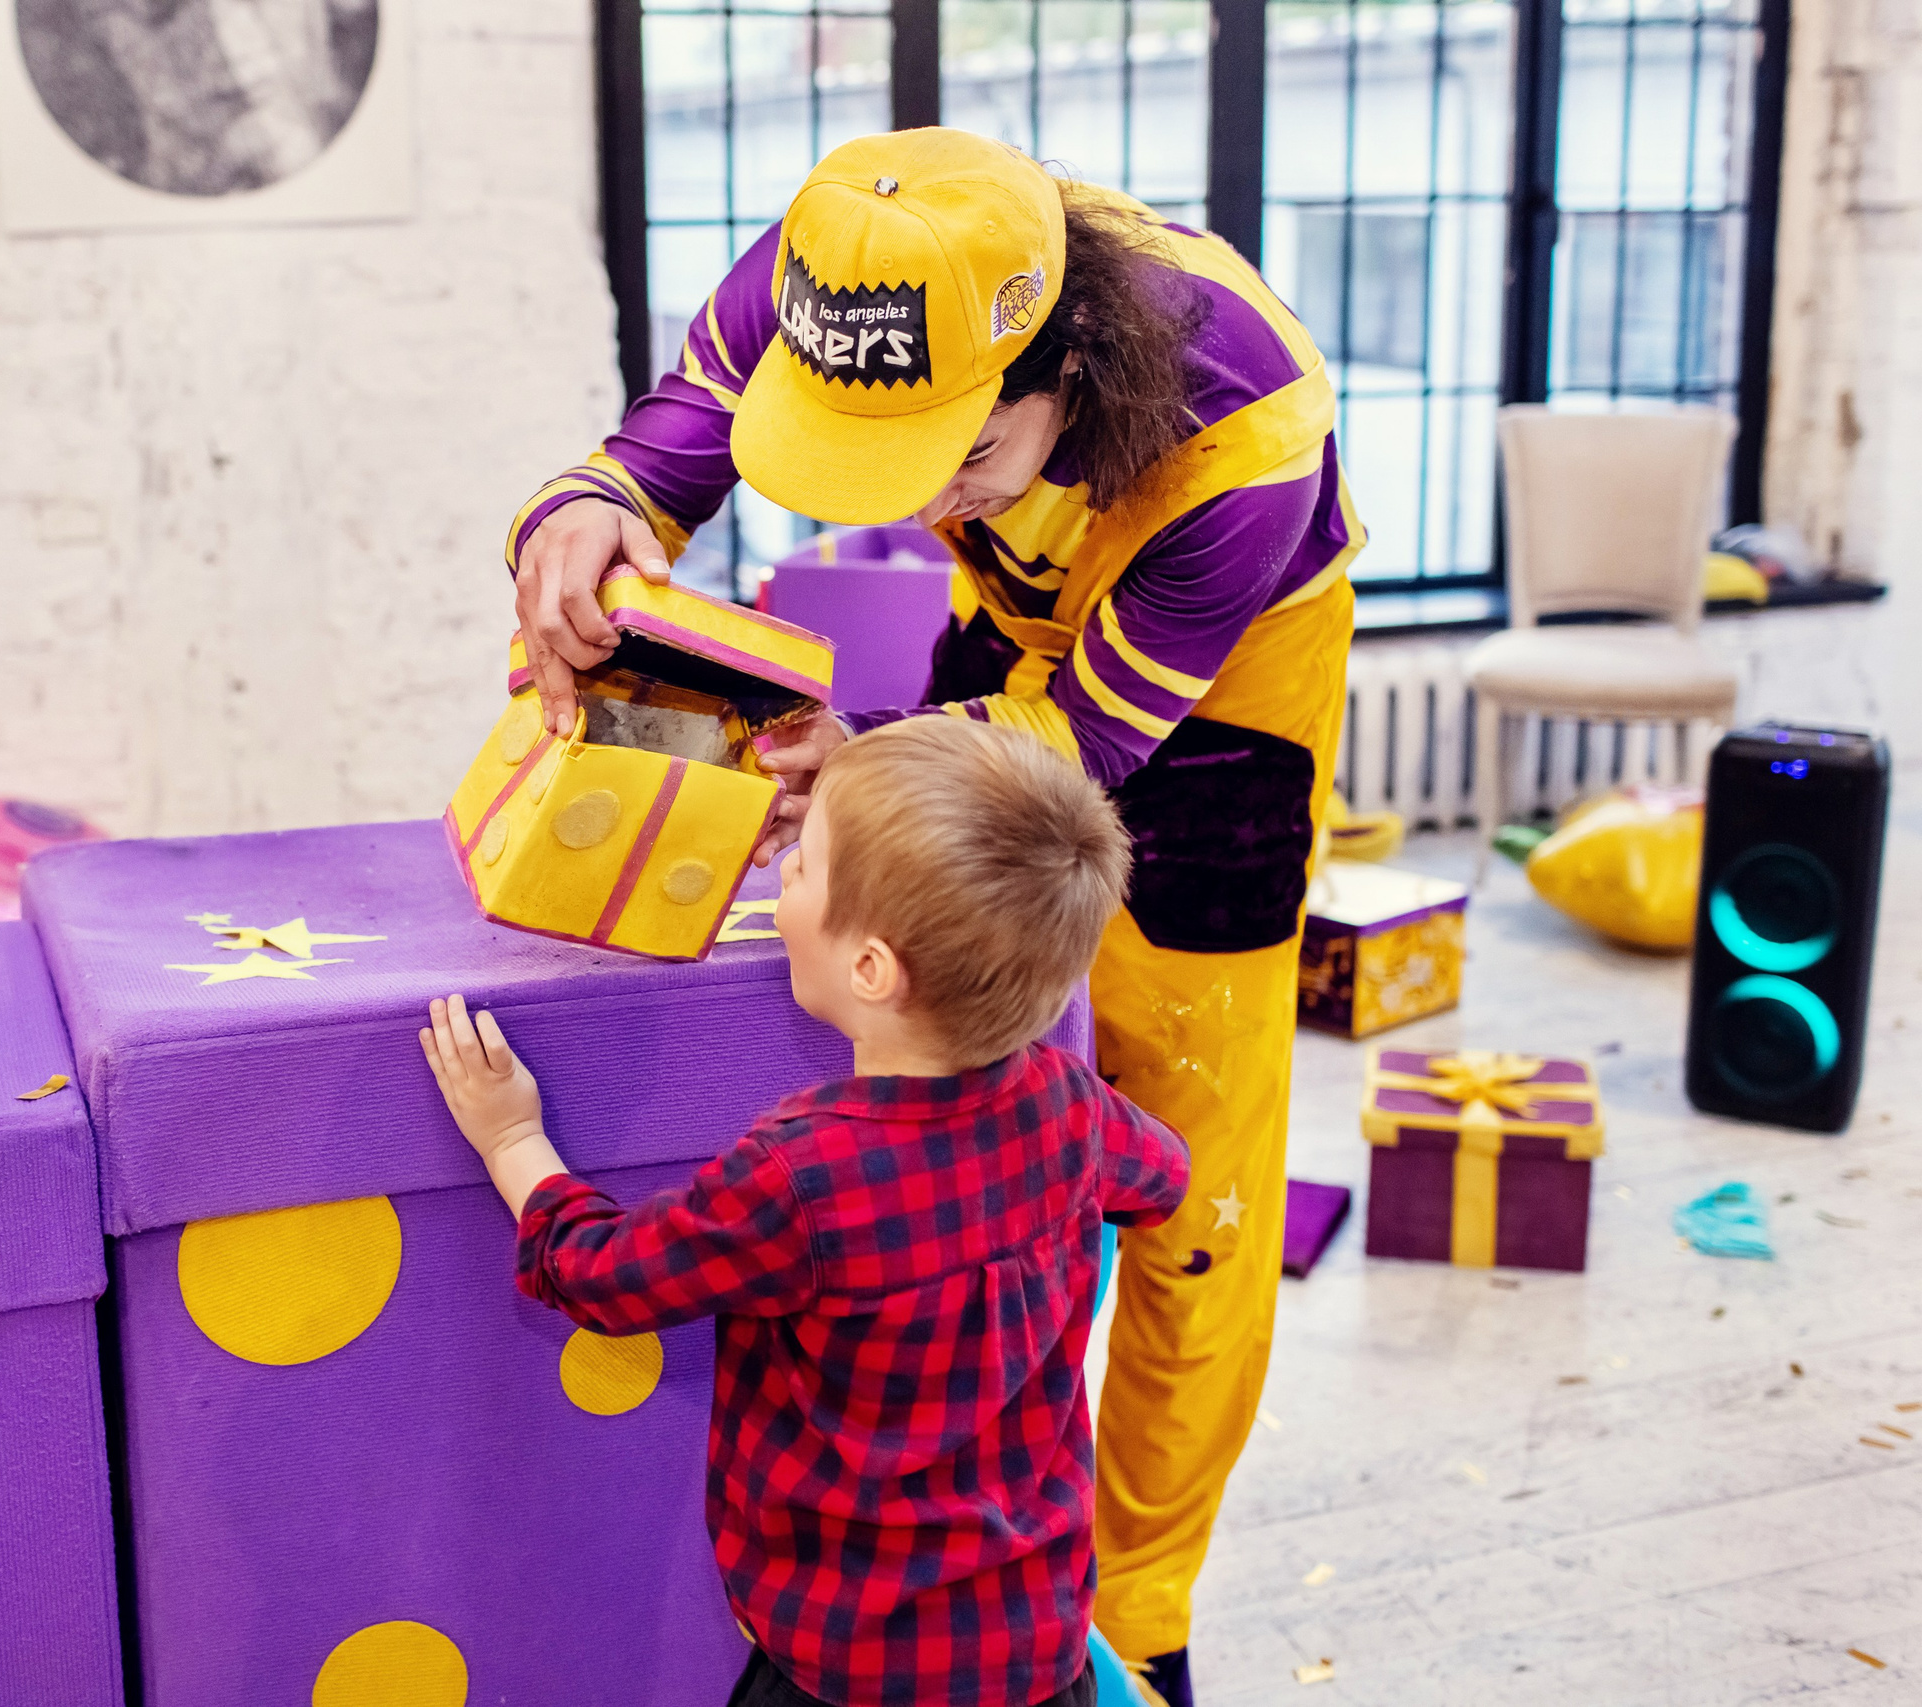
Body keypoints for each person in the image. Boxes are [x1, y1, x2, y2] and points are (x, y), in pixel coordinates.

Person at [500, 128, 1361, 1705]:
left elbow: (1083, 746)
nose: (909, 506)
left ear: (1071, 366)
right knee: (979, 1064)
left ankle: (1143, 1599)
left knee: (1197, 1178)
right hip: (1015, 627)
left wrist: (877, 766)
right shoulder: (849, 263)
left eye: (947, 465)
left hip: (1217, 702)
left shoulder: (1249, 441)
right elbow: (669, 443)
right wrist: (586, 510)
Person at [421, 717, 1190, 1707]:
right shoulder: (1071, 1107)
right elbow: (1160, 1180)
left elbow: (604, 1276)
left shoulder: (800, 1177)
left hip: (851, 1663)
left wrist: (510, 1141)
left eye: (802, 867)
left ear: (871, 969)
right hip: (1032, 1646)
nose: (778, 881)